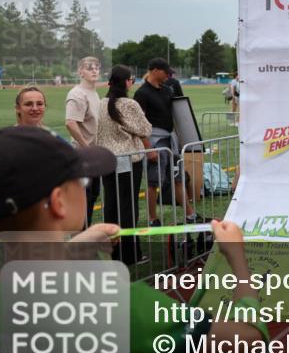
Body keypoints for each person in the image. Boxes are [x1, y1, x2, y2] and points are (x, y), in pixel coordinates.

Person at [0, 126, 264, 353]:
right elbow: (244, 339)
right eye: (80, 180)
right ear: (58, 203)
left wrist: (73, 248)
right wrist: (237, 261)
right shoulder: (125, 303)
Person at [96, 65, 153, 265]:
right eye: (131, 79)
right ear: (126, 82)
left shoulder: (102, 103)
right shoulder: (128, 104)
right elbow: (145, 128)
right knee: (128, 208)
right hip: (127, 159)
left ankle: (113, 251)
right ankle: (130, 254)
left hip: (106, 159)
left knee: (111, 206)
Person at [134, 58, 201, 227]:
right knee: (152, 183)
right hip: (155, 143)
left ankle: (190, 214)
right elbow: (139, 124)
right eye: (166, 72)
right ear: (155, 70)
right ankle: (152, 219)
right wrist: (149, 149)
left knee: (178, 179)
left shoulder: (168, 90)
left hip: (170, 142)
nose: (168, 75)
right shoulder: (142, 93)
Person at [65, 56, 103, 226]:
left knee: (92, 196)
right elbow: (70, 123)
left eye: (96, 67)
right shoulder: (77, 93)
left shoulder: (93, 93)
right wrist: (87, 147)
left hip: (93, 155)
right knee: (83, 201)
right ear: (80, 71)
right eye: (89, 67)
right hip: (83, 155)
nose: (94, 70)